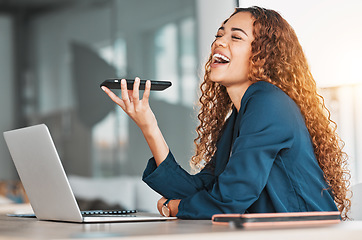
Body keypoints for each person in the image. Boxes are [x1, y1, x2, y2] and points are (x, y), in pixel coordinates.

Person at [101, 6, 351, 220]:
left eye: (236, 37)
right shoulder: (239, 117)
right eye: (220, 35)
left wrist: (176, 208)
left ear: (263, 57)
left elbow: (231, 198)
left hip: (308, 233)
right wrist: (148, 125)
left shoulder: (268, 102)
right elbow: (201, 188)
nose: (219, 42)